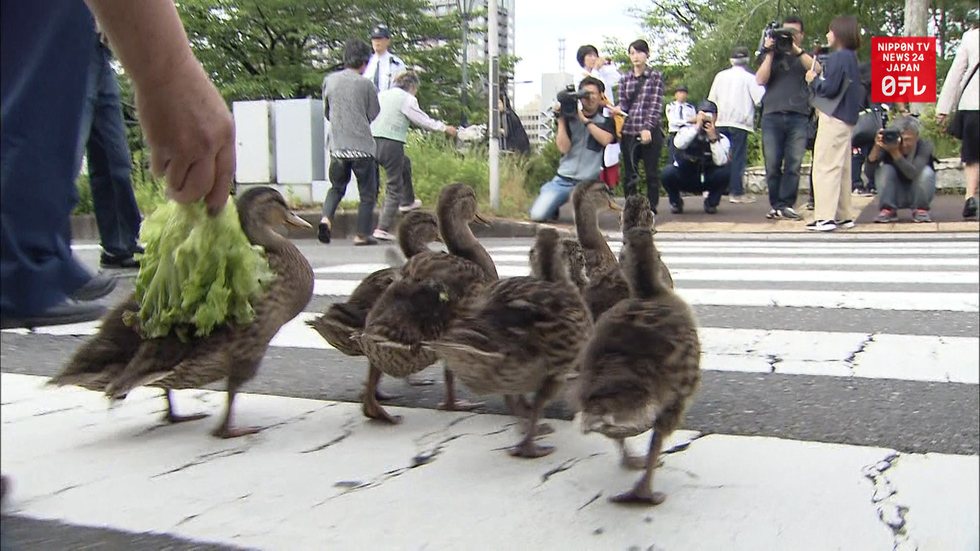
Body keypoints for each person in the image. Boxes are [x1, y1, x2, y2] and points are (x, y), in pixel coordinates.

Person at [1, 0, 235, 330]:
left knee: (111, 154)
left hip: (97, 42)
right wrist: (170, 74)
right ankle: (22, 261)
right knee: (51, 129)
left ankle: (63, 254)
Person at [76, 24, 144, 270]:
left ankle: (119, 245)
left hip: (101, 50)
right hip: (68, 41)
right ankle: (40, 256)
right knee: (67, 150)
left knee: (114, 158)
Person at [370, 71, 456, 242]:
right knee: (394, 185)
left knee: (404, 163)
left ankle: (407, 201)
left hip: (371, 141)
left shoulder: (382, 95)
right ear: (411, 86)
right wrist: (444, 128)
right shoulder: (407, 99)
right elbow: (422, 120)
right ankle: (382, 228)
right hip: (391, 142)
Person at [319, 38, 381, 246]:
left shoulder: (330, 81)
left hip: (337, 146)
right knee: (367, 193)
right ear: (364, 62)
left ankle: (326, 219)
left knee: (336, 187)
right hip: (362, 147)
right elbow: (374, 112)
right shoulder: (366, 84)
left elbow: (327, 111)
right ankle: (361, 235)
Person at [528, 76, 615, 222]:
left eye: (593, 94)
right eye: (585, 94)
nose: (589, 98)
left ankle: (555, 197)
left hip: (588, 183)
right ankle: (550, 197)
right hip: (564, 179)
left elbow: (605, 140)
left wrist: (585, 120)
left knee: (584, 220)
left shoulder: (606, 122)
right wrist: (561, 119)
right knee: (537, 215)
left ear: (601, 96)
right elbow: (564, 148)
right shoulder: (570, 119)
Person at [805, 15, 863, 232]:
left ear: (839, 34)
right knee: (842, 168)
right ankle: (843, 215)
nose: (828, 35)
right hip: (847, 117)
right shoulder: (851, 57)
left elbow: (829, 88)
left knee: (825, 166)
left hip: (833, 116)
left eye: (830, 31)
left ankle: (825, 217)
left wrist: (814, 80)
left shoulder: (838, 57)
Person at [756, 15, 816, 221]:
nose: (789, 36)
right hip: (772, 115)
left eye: (793, 32)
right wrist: (770, 53)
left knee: (793, 164)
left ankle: (787, 204)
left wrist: (795, 49)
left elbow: (816, 69)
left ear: (801, 35)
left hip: (798, 116)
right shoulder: (771, 55)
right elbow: (760, 79)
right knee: (772, 164)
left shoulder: (804, 56)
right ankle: (776, 205)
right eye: (785, 32)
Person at [611, 39, 666, 213]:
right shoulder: (624, 79)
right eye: (632, 53)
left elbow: (655, 106)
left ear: (647, 54)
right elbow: (624, 104)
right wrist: (618, 109)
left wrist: (647, 127)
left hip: (650, 131)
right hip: (629, 131)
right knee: (630, 174)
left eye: (639, 52)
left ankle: (651, 209)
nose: (635, 57)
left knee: (651, 173)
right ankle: (631, 209)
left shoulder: (655, 76)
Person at [708, 46, 766, 203]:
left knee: (720, 156)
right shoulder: (750, 78)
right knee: (738, 157)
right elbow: (760, 100)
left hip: (721, 120)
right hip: (740, 122)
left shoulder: (720, 76)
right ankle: (736, 192)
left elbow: (712, 100)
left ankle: (716, 189)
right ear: (746, 60)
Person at [937, 25, 979, 219]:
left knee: (971, 157)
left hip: (971, 106)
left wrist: (944, 108)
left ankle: (970, 197)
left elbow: (955, 74)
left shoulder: (970, 38)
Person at [662, 100, 732, 215]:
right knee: (667, 173)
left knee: (726, 171)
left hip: (707, 177)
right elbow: (679, 144)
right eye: (703, 114)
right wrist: (696, 127)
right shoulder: (685, 130)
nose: (705, 119)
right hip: (686, 175)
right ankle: (676, 203)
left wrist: (713, 139)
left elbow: (720, 161)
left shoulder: (722, 138)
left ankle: (711, 203)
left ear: (715, 117)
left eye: (709, 115)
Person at [866, 117, 937, 223]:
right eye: (901, 139)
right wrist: (876, 147)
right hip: (893, 191)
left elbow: (912, 173)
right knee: (885, 169)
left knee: (926, 172)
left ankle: (920, 209)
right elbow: (869, 173)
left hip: (917, 191)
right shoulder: (888, 143)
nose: (903, 144)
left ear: (917, 137)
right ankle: (888, 209)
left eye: (908, 139)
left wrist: (895, 152)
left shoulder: (924, 146)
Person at [575, 44, 623, 189]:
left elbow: (618, 78)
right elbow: (593, 89)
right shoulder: (580, 76)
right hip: (591, 119)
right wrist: (596, 70)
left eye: (595, 55)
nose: (593, 58)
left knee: (610, 154)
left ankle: (610, 187)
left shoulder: (601, 72)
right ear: (582, 59)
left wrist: (608, 65)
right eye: (589, 56)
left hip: (607, 117)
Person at [364, 24, 407, 93]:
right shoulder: (366, 63)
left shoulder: (397, 64)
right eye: (374, 39)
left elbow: (404, 89)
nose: (376, 42)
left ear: (387, 41)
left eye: (380, 39)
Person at [665, 84, 697, 164]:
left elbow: (694, 122)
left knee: (686, 159)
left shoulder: (690, 108)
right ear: (676, 95)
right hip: (675, 133)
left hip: (687, 135)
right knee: (673, 159)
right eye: (680, 92)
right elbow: (673, 121)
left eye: (684, 93)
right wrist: (688, 121)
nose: (682, 95)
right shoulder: (671, 106)